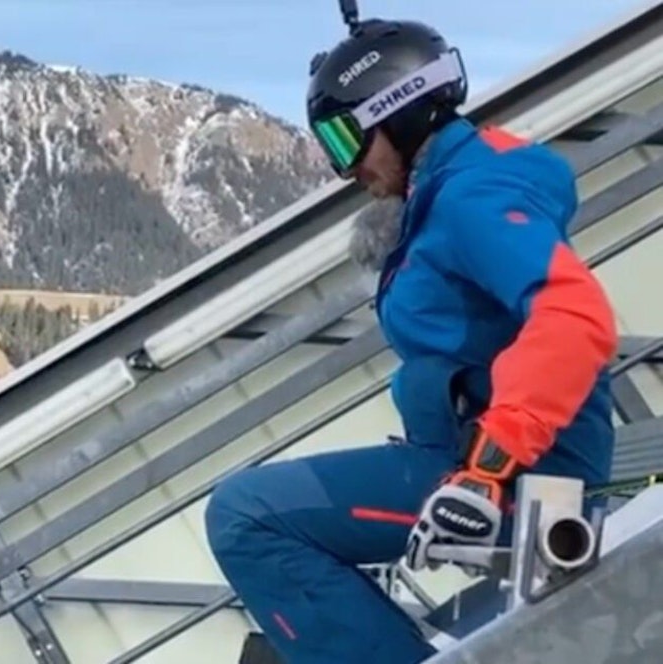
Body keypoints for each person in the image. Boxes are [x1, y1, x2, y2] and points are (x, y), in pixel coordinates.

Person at [204, 15, 619, 664]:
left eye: (346, 140)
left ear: (397, 112)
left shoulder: (472, 194)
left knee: (248, 517)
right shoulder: (440, 198)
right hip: (476, 464)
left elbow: (573, 315)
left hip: (517, 481)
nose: (346, 170)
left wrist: (486, 470)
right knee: (255, 525)